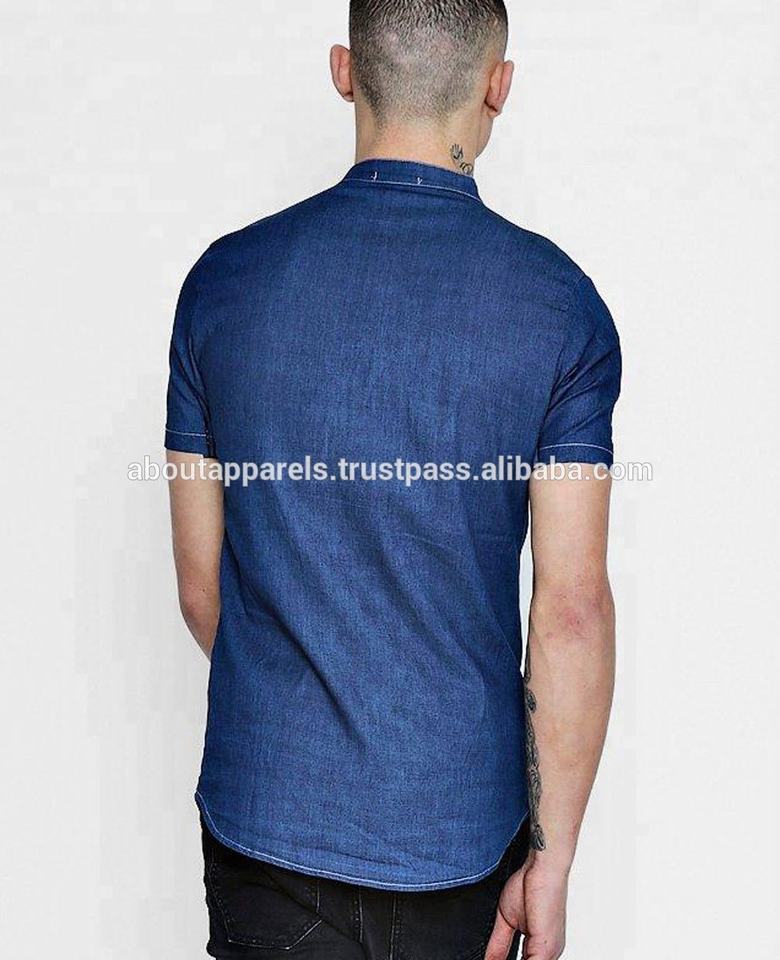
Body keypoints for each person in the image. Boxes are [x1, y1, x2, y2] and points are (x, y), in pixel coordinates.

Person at [165, 2, 621, 958]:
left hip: (268, 822)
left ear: (345, 70)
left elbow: (203, 590)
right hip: (462, 837)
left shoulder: (223, 283)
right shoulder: (560, 308)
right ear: (498, 86)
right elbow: (571, 611)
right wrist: (552, 862)